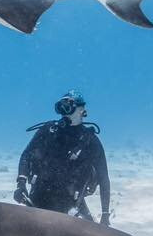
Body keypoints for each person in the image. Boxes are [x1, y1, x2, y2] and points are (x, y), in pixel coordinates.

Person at [13, 90, 112, 226]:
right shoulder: (48, 131)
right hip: (38, 199)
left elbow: (103, 178)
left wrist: (105, 214)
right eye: (61, 107)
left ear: (81, 110)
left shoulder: (91, 141)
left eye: (69, 107)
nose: (64, 113)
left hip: (72, 204)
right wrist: (21, 184)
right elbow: (26, 155)